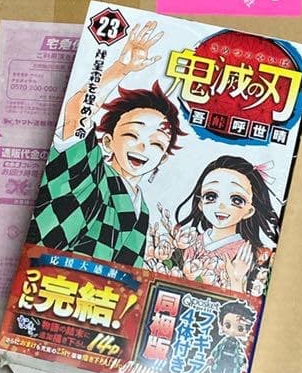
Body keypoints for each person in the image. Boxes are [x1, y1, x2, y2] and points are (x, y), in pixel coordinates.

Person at [26, 21, 186, 269]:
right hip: (46, 280)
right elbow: (76, 114)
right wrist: (121, 68)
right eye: (132, 135)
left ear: (163, 157)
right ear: (109, 141)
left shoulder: (141, 209)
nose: (142, 147)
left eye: (156, 143)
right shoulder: (90, 171)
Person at [146, 156, 279, 293]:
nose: (221, 206)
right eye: (211, 196)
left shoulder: (251, 254)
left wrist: (236, 280)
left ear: (249, 211)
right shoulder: (185, 242)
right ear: (200, 203)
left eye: (236, 200)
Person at [204, 300, 256, 373]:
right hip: (221, 359)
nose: (232, 331)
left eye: (240, 328)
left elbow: (241, 354)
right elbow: (217, 349)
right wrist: (212, 357)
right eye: (227, 325)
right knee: (217, 371)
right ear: (221, 323)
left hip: (232, 362)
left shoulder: (238, 344)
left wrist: (244, 363)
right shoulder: (224, 341)